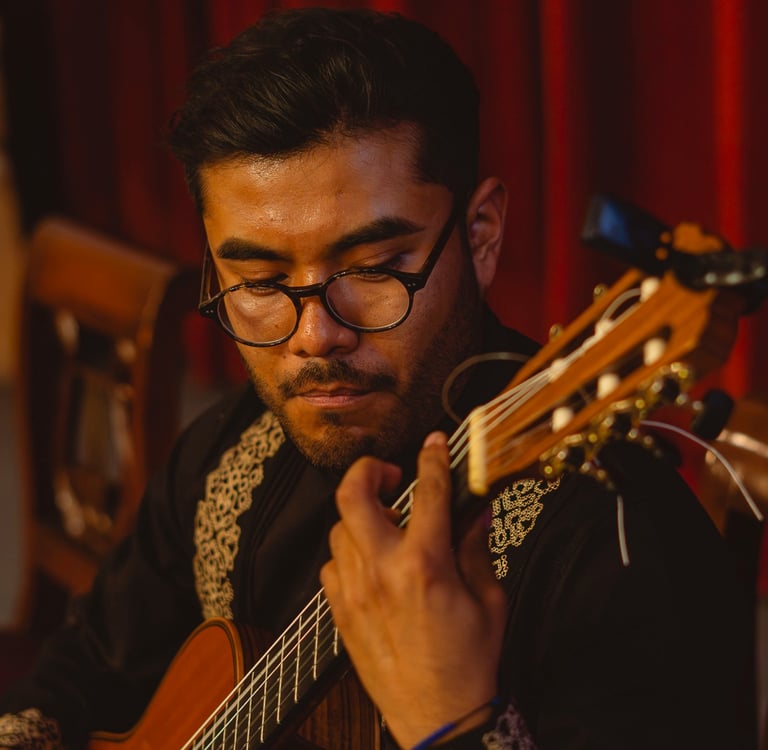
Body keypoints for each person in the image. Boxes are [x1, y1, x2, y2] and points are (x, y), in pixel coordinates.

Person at [0, 7, 755, 749]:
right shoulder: (229, 459)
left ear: (481, 236)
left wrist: (454, 719)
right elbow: (86, 664)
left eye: (371, 267)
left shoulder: (625, 555)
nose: (315, 335)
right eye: (258, 281)